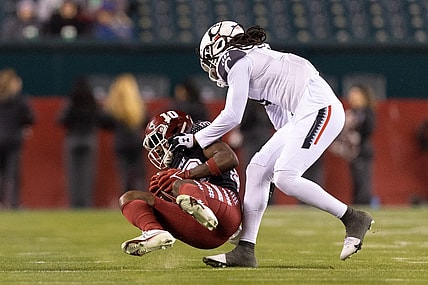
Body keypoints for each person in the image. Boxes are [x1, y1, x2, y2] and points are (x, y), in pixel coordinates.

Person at [169, 21, 374, 267]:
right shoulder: (255, 61)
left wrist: (195, 139)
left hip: (319, 107)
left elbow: (233, 115)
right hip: (304, 113)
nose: (212, 68)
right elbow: (282, 123)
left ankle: (353, 218)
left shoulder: (234, 59)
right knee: (258, 168)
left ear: (220, 46)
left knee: (285, 177)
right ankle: (246, 249)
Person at [119, 110, 241, 255]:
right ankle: (153, 231)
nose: (156, 149)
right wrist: (166, 195)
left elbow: (229, 158)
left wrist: (185, 175)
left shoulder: (200, 142)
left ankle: (200, 205)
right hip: (205, 234)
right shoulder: (175, 163)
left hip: (227, 210)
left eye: (157, 139)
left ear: (175, 130)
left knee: (179, 183)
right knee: (129, 198)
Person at [58, 76, 101, 208]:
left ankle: (75, 203)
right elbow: (101, 119)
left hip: (73, 138)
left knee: (73, 174)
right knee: (87, 174)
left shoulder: (72, 101)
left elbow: (61, 119)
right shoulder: (92, 102)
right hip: (89, 138)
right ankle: (86, 203)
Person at [99, 73, 147, 193]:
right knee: (139, 174)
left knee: (125, 175)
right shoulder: (137, 105)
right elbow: (146, 121)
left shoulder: (114, 107)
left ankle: (127, 200)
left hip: (121, 143)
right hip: (136, 142)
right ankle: (141, 199)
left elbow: (105, 122)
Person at [330, 84, 376, 205]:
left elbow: (368, 130)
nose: (353, 97)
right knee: (356, 181)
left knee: (362, 181)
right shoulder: (351, 112)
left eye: (356, 95)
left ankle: (364, 205)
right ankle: (357, 205)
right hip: (352, 152)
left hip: (362, 151)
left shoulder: (366, 112)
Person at [0, 68, 35, 208]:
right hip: (13, 139)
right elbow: (30, 117)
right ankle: (14, 203)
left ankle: (2, 202)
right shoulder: (19, 99)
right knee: (13, 173)